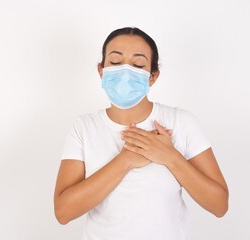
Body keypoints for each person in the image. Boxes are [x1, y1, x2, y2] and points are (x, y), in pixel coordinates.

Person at [54, 27, 229, 240]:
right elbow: (63, 212)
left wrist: (170, 157)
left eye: (137, 65)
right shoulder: (84, 127)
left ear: (152, 76)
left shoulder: (180, 122)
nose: (125, 72)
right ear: (101, 71)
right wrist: (125, 161)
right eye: (116, 63)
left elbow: (219, 205)